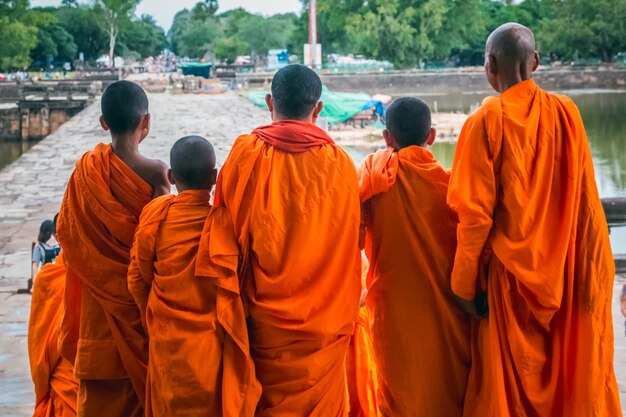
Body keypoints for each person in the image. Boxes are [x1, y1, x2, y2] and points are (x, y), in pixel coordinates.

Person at [447, 22, 621, 416]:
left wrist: (462, 284)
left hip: (510, 284)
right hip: (568, 271)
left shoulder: (485, 120)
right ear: (536, 62)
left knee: (508, 394)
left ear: (489, 65)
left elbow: (473, 217)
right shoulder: (567, 112)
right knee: (569, 376)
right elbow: (584, 202)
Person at [198, 64, 361, 416]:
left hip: (263, 327)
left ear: (269, 102)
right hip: (324, 327)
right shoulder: (341, 165)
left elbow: (224, 235)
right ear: (318, 109)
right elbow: (352, 243)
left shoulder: (244, 155)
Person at [56, 80, 170, 417]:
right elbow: (160, 243)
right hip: (139, 312)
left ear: (104, 122)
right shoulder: (157, 174)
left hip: (98, 317)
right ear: (146, 122)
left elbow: (67, 234)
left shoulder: (85, 172)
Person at [128, 136, 260, 417]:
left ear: (171, 177)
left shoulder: (156, 215)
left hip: (168, 348)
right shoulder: (226, 223)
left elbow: (137, 279)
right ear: (214, 177)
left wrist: (153, 318)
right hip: (212, 352)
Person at [359, 97, 470, 416]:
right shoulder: (454, 186)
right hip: (449, 315)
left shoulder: (374, 180)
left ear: (386, 138)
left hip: (394, 319)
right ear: (432, 136)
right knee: (451, 397)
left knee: (399, 401)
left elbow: (348, 231)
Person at [28, 216, 79, 417]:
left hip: (79, 380)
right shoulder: (48, 279)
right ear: (58, 237)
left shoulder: (97, 274)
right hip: (66, 382)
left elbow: (37, 351)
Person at [31, 219, 60, 285]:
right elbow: (35, 265)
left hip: (59, 274)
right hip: (46, 276)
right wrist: (34, 283)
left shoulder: (59, 244)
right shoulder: (39, 247)